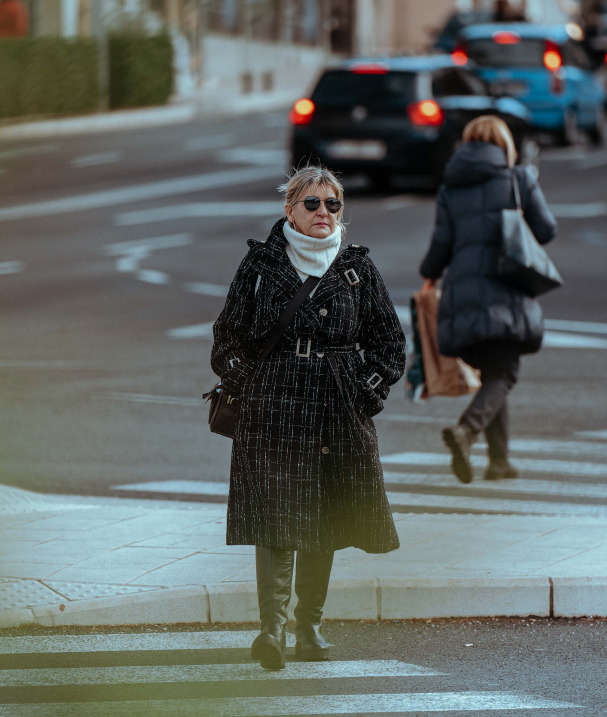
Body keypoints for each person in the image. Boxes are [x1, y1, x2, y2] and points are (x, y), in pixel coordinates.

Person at [211, 165, 405, 670]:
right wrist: (248, 386)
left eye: (333, 204)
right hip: (273, 405)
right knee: (276, 517)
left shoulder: (357, 268)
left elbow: (390, 346)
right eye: (313, 203)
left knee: (323, 513)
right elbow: (226, 336)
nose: (324, 213)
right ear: (290, 209)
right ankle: (271, 631)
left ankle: (309, 626)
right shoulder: (260, 264)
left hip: (336, 410)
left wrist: (364, 393)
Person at [419, 116, 556, 484]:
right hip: (504, 290)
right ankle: (466, 431)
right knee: (505, 372)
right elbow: (546, 229)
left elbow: (440, 248)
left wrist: (429, 273)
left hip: (461, 297)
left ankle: (499, 461)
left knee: (494, 371)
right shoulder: (519, 178)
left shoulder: (451, 187)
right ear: (504, 143)